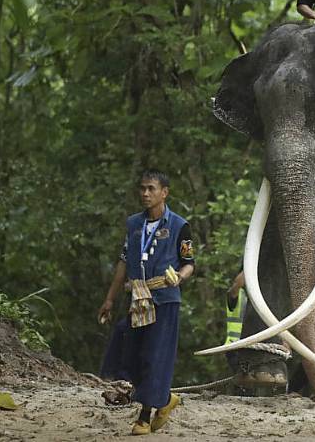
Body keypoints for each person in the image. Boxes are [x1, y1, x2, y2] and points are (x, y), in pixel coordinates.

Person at [98, 169, 195, 436]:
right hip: (138, 299)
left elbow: (189, 264)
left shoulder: (179, 226)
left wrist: (179, 278)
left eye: (151, 189)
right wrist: (109, 298)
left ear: (164, 192)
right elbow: (123, 262)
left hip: (164, 299)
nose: (145, 193)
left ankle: (143, 416)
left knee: (155, 356)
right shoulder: (133, 225)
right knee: (127, 346)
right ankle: (165, 400)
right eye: (142, 188)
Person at [224, 270, 247, 372]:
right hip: (234, 347)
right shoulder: (236, 294)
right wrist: (248, 265)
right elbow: (237, 284)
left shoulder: (262, 295)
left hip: (254, 346)